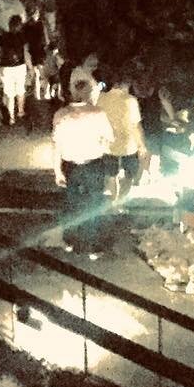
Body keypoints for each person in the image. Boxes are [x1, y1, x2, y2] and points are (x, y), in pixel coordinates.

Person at [51, 75, 113, 257]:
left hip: (70, 166)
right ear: (88, 94)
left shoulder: (61, 114)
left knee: (71, 204)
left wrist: (57, 171)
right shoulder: (98, 114)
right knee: (94, 204)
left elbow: (56, 145)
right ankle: (92, 245)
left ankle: (69, 240)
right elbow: (109, 139)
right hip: (93, 164)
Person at [98, 73, 144, 205]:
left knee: (111, 175)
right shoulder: (130, 100)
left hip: (108, 144)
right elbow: (136, 125)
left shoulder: (101, 98)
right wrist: (141, 145)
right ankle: (121, 201)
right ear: (127, 84)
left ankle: (114, 200)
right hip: (128, 144)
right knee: (129, 175)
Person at [0, 15, 34, 125]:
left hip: (6, 68)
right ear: (19, 25)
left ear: (9, 25)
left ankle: (11, 117)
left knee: (9, 93)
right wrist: (30, 68)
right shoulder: (22, 37)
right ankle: (21, 112)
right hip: (19, 67)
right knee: (20, 91)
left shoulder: (2, 38)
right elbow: (26, 54)